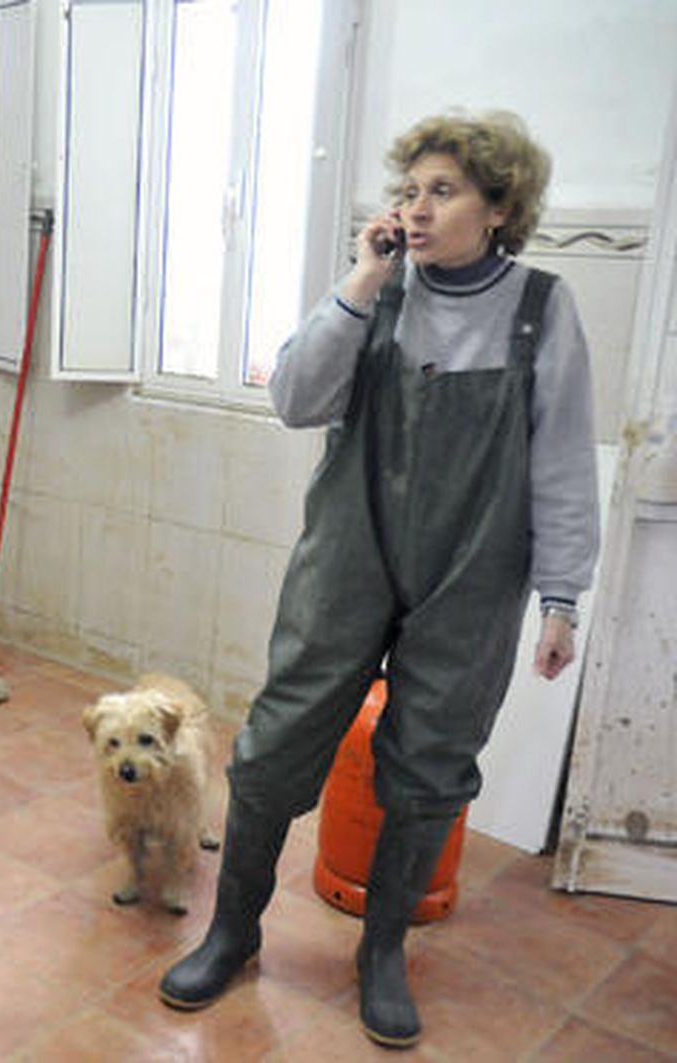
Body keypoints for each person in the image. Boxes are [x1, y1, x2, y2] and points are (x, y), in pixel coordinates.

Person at [157, 110, 599, 1048]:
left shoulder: (541, 308)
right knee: (275, 745)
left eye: (443, 191)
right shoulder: (377, 292)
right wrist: (362, 278)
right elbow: (293, 400)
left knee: (431, 764)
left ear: (500, 207)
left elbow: (561, 459)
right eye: (409, 191)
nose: (418, 208)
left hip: (475, 574)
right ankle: (233, 931)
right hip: (349, 557)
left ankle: (381, 955)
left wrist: (562, 596)